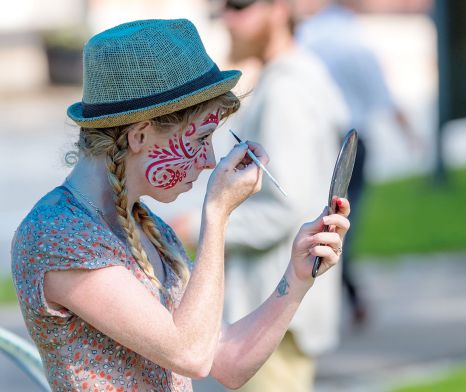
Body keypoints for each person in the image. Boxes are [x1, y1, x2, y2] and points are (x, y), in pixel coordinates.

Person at [10, 19, 350, 392]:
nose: (208, 160)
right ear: (140, 135)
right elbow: (191, 356)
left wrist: (297, 276)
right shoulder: (59, 234)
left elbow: (227, 361)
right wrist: (217, 215)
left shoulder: (148, 228)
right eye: (202, 137)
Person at [202, 0, 348, 391]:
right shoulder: (294, 76)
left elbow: (286, 210)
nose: (226, 18)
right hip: (279, 312)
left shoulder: (286, 91)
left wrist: (204, 226)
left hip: (274, 317)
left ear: (279, 9)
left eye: (239, 6)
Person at [296, 0, 423, 325]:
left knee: (316, 220)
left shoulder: (309, 34)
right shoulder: (356, 42)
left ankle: (332, 297)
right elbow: (384, 97)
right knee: (340, 226)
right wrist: (412, 138)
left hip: (315, 143)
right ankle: (339, 295)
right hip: (352, 144)